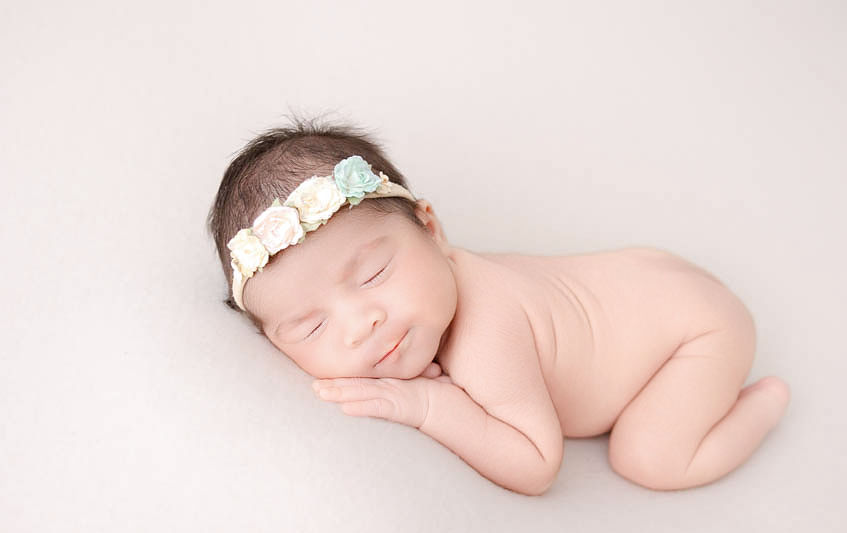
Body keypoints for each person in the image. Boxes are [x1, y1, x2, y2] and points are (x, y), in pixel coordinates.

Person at [206, 115, 791, 496]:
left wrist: (431, 406)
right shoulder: (436, 283)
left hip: (697, 332)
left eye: (374, 274)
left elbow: (536, 462)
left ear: (431, 230)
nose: (363, 324)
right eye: (311, 326)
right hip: (644, 281)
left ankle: (764, 403)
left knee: (647, 457)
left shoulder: (488, 328)